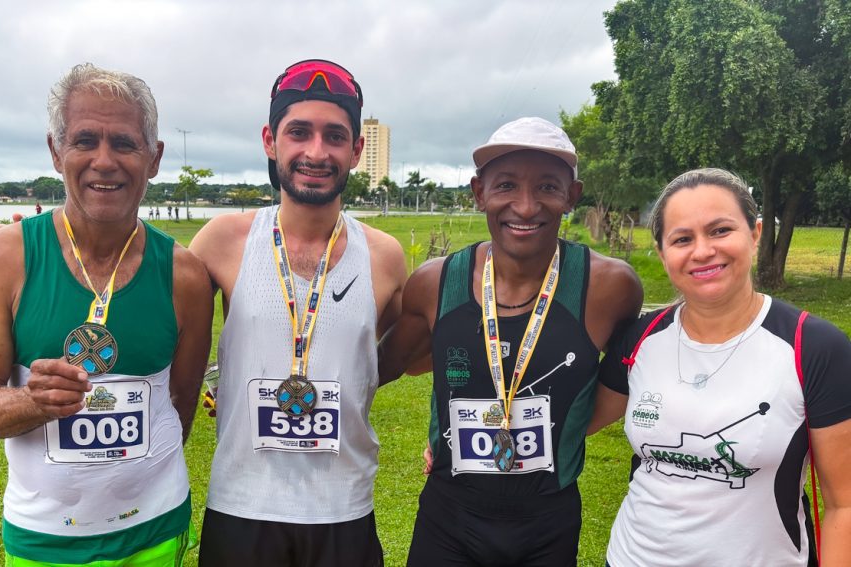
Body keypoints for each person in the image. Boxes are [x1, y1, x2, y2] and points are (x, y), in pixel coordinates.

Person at [0, 63, 213, 566]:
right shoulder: (5, 258)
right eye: (85, 140)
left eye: (124, 143)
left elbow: (179, 405)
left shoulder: (184, 275)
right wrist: (34, 400)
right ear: (56, 151)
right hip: (43, 539)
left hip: (155, 532)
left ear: (154, 158)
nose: (104, 160)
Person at [378, 117, 643, 566]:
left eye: (547, 187)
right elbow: (383, 365)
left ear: (571, 198)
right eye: (506, 186)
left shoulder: (610, 287)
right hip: (450, 515)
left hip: (548, 519)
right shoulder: (435, 283)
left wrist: (560, 430)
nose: (525, 206)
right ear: (479, 192)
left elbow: (628, 380)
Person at [188, 59, 407, 567]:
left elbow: (385, 357)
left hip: (343, 510)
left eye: (335, 136)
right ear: (270, 140)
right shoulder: (223, 241)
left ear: (356, 151)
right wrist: (15, 244)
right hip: (242, 507)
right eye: (299, 132)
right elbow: (145, 295)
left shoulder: (384, 256)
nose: (316, 151)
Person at [590, 168, 851, 566]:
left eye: (719, 230)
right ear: (662, 253)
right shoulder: (640, 339)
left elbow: (843, 505)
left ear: (755, 233)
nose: (702, 251)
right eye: (682, 239)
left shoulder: (812, 347)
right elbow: (574, 422)